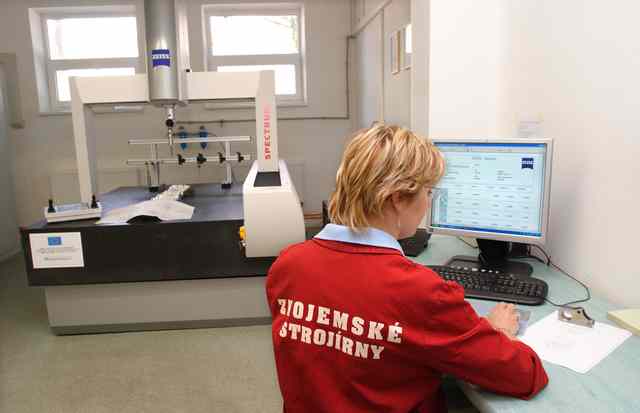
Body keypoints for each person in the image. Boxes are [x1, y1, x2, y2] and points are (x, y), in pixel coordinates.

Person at [266, 124, 548, 413]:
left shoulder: (288, 265)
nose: (428, 202)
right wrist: (499, 332)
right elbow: (526, 374)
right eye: (428, 191)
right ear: (398, 198)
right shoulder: (420, 292)